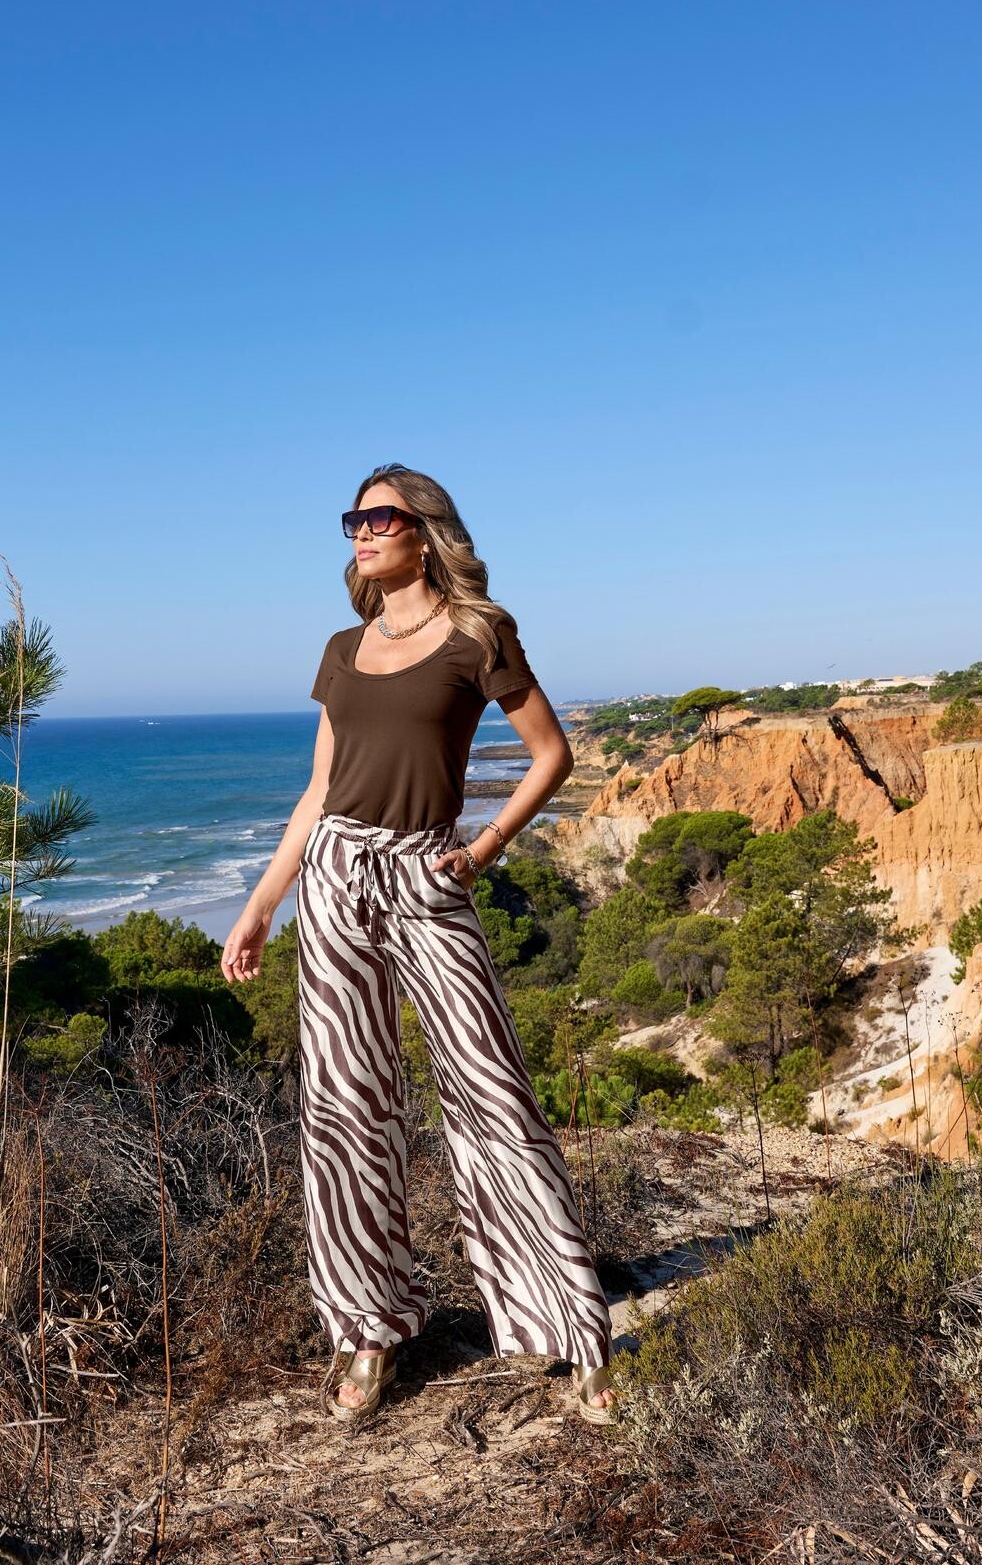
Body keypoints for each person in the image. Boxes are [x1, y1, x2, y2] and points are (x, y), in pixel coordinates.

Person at [220, 461, 615, 1426]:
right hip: (336, 879)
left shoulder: (480, 634)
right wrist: (265, 902)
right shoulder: (343, 648)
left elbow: (551, 754)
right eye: (353, 520)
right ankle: (370, 1330)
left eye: (380, 518)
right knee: (345, 1107)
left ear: (425, 530)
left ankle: (570, 1327)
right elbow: (320, 790)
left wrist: (482, 849)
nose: (361, 532)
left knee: (490, 1091)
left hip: (427, 875)